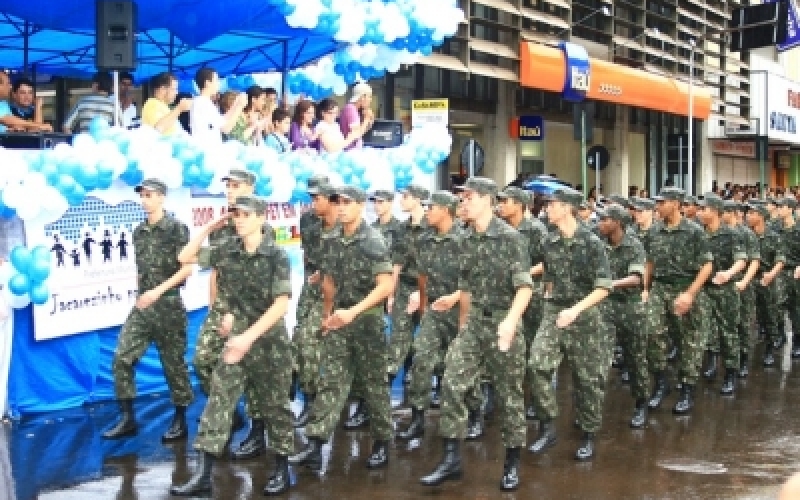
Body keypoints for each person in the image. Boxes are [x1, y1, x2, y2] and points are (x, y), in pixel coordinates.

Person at [170, 195, 295, 497]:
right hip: (236, 341)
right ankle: (202, 475)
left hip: (268, 343)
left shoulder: (275, 255)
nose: (238, 219)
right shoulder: (228, 249)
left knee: (275, 407)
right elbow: (184, 257)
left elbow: (280, 305)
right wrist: (211, 226)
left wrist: (246, 338)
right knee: (218, 401)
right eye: (235, 214)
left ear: (261, 218)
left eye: (244, 214)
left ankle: (281, 469)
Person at [420, 177, 532, 491]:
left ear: (485, 200)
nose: (462, 203)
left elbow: (524, 288)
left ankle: (511, 462)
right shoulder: (466, 239)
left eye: (467, 198)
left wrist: (510, 322)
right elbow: (467, 288)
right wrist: (462, 326)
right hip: (474, 325)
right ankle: (451, 459)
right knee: (453, 381)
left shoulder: (511, 239)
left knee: (509, 396)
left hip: (503, 321)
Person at [290, 185, 394, 472]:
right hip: (339, 320)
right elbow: (329, 280)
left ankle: (382, 441)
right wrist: (328, 315)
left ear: (361, 206)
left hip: (367, 320)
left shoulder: (372, 240)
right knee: (331, 382)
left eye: (348, 202)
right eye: (339, 203)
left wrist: (354, 311)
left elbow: (386, 285)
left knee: (374, 385)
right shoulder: (332, 238)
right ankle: (314, 444)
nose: (342, 207)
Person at [178, 168, 270, 460]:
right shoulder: (222, 230)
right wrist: (215, 309)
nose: (230, 190)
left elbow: (265, 278)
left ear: (251, 188)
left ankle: (258, 433)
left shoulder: (259, 226)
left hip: (252, 309)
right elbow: (214, 272)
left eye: (236, 185)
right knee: (203, 360)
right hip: (223, 307)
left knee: (256, 373)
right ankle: (231, 415)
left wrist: (243, 316)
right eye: (227, 186)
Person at [102, 178, 194, 442]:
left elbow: (187, 269)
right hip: (143, 306)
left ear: (162, 197)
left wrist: (158, 292)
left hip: (168, 305)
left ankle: (180, 419)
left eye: (150, 195)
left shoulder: (176, 229)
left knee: (173, 365)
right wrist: (141, 293)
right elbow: (141, 269)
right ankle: (128, 417)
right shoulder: (139, 232)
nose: (145, 200)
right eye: (142, 195)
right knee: (122, 358)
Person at [528, 187, 612, 460]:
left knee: (587, 380)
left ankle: (588, 434)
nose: (547, 209)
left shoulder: (592, 243)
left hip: (585, 315)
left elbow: (603, 287)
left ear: (567, 208)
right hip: (554, 311)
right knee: (537, 365)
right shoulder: (549, 242)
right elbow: (547, 272)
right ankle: (548, 425)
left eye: (552, 205)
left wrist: (575, 310)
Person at [397, 191, 485, 442]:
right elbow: (422, 276)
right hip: (435, 311)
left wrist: (457, 299)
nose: (427, 211)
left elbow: (476, 279)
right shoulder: (425, 240)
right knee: (421, 359)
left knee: (461, 366)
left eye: (431, 207)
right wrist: (424, 308)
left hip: (460, 309)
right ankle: (417, 418)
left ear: (446, 210)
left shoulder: (466, 239)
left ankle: (475, 412)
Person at [644, 187, 712, 414]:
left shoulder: (694, 232)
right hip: (660, 288)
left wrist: (690, 294)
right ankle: (661, 382)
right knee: (651, 332)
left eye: (661, 202)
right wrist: (646, 288)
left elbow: (707, 265)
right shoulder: (654, 232)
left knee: (689, 342)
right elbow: (650, 262)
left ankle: (687, 388)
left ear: (675, 203)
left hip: (685, 287)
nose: (657, 207)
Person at [495, 186, 547, 421]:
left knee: (534, 349)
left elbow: (548, 261)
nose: (501, 205)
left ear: (519, 204)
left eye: (506, 202)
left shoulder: (535, 229)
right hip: (507, 294)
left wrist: (524, 273)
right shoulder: (501, 229)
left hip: (532, 294)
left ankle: (536, 400)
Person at [596, 205, 649, 428]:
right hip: (606, 307)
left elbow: (636, 278)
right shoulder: (600, 245)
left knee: (636, 358)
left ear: (617, 222)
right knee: (599, 358)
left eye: (605, 220)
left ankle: (641, 402)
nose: (600, 224)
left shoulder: (634, 245)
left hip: (630, 307)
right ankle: (592, 409)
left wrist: (610, 284)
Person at [292, 176, 338, 428]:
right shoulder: (308, 221)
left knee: (312, 342)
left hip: (338, 290)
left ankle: (316, 400)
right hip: (312, 287)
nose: (312, 203)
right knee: (300, 338)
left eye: (317, 198)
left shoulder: (344, 224)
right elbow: (307, 254)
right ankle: (309, 395)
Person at [696, 194, 746, 395]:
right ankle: (711, 363)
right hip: (704, 289)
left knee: (728, 332)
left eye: (705, 209)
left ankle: (731, 372)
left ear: (716, 211)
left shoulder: (732, 235)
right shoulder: (697, 233)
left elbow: (741, 260)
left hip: (725, 290)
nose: (700, 213)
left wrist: (728, 273)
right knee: (703, 330)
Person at [747, 203, 786, 367]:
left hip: (767, 279)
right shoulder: (747, 235)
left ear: (761, 216)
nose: (748, 216)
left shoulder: (774, 236)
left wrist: (771, 274)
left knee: (770, 315)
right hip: (749, 279)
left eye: (752, 213)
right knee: (747, 316)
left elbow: (780, 259)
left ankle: (770, 348)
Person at [190, 68, 246, 144]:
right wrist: (240, 106)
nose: (218, 83)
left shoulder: (203, 101)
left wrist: (236, 103)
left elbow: (222, 120)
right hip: (207, 151)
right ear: (207, 83)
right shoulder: (203, 103)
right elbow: (226, 128)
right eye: (216, 80)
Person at [339, 82, 374, 151]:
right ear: (362, 97)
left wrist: (370, 121)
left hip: (355, 151)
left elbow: (360, 132)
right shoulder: (350, 109)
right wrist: (366, 119)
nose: (370, 100)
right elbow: (356, 134)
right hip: (350, 152)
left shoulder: (354, 109)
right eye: (369, 96)